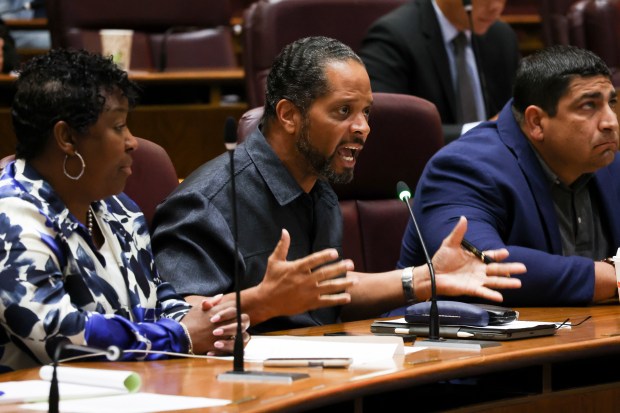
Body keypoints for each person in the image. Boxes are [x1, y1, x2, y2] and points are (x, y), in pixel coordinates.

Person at [151, 36, 525, 335]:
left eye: (367, 112)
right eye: (344, 111)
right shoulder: (205, 203)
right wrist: (265, 300)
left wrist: (427, 278)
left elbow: (330, 290)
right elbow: (182, 326)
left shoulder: (319, 187)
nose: (363, 128)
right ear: (288, 115)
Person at [0, 48, 249, 372]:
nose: (132, 142)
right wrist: (183, 335)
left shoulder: (119, 210)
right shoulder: (11, 217)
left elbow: (158, 300)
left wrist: (213, 325)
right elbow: (59, 336)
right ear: (66, 138)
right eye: (119, 126)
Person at [398, 45, 620, 307]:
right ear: (536, 121)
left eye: (611, 103)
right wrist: (614, 276)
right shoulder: (463, 167)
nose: (610, 122)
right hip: (457, 343)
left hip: (587, 334)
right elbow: (479, 264)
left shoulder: (607, 160)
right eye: (588, 106)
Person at [358, 0, 519, 143]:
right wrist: (485, 132)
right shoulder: (392, 36)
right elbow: (386, 125)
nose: (496, 6)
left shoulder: (502, 37)